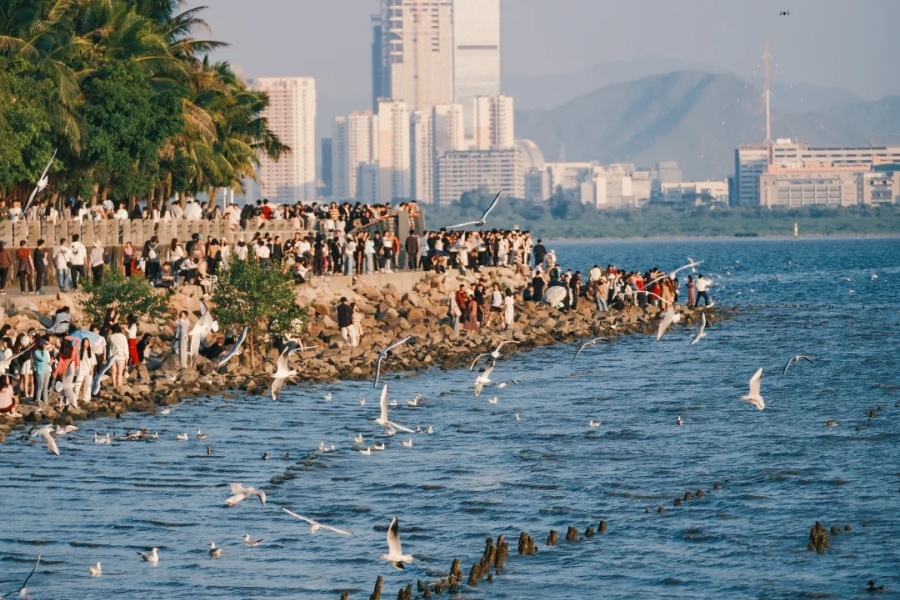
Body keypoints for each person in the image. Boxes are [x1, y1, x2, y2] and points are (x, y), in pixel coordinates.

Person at [75, 338, 96, 404]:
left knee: (88, 385)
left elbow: (93, 362)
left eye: (87, 342)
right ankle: (75, 397)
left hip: (89, 370)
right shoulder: (79, 351)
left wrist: (92, 370)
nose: (86, 343)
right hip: (80, 370)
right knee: (77, 384)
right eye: (85, 342)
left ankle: (86, 399)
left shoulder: (91, 352)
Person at [108, 324, 128, 390]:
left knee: (113, 372)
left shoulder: (111, 336)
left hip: (112, 356)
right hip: (121, 356)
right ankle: (119, 386)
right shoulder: (123, 336)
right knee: (120, 372)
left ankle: (114, 385)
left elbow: (109, 344)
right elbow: (125, 347)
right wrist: (127, 357)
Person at [32, 339, 52, 405]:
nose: (45, 346)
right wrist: (44, 350)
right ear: (41, 345)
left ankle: (46, 402)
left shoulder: (45, 351)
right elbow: (42, 359)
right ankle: (38, 400)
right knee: (40, 387)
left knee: (45, 387)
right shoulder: (36, 352)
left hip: (46, 370)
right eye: (44, 344)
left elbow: (47, 361)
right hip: (40, 371)